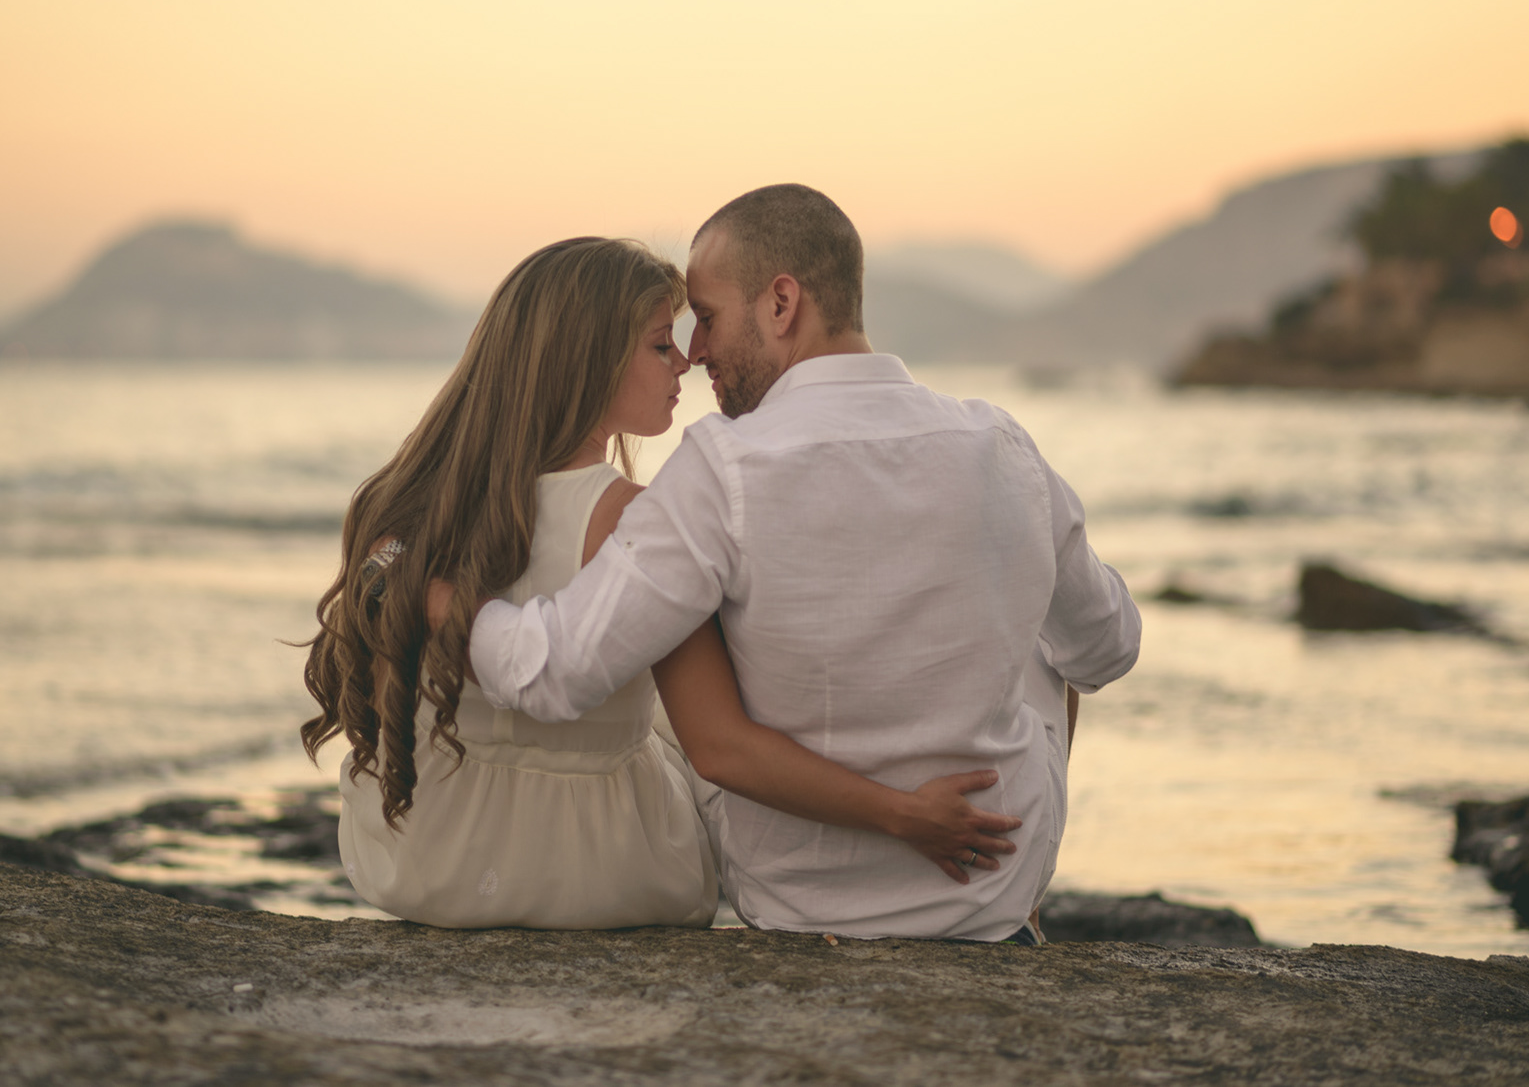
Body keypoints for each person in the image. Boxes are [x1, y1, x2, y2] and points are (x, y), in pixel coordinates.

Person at [454, 186, 1141, 941]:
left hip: (801, 906)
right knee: (1052, 641)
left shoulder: (722, 469)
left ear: (782, 303)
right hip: (989, 891)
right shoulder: (1000, 443)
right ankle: (1019, 871)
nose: (698, 353)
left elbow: (554, 671)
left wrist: (458, 611)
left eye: (708, 319)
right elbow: (1109, 647)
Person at [300, 236, 1021, 930]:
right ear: (583, 364)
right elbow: (723, 746)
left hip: (424, 855)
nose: (685, 361)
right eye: (659, 344)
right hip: (597, 869)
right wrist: (900, 812)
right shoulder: (633, 520)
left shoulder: (409, 510)